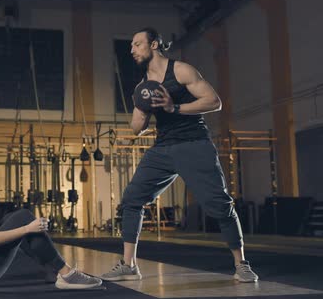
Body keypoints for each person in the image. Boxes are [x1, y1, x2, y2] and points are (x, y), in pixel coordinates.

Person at [100, 28, 258, 283]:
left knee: (220, 205)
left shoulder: (181, 70)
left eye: (137, 44)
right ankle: (129, 265)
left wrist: (175, 107)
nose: (132, 49)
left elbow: (213, 101)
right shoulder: (143, 86)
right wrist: (141, 105)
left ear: (153, 45)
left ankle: (241, 264)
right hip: (163, 148)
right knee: (131, 200)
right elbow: (136, 127)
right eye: (131, 46)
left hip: (194, 143)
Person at [0, 149, 102, 289]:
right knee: (23, 218)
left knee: (12, 217)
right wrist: (28, 229)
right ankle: (66, 273)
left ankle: (51, 269)